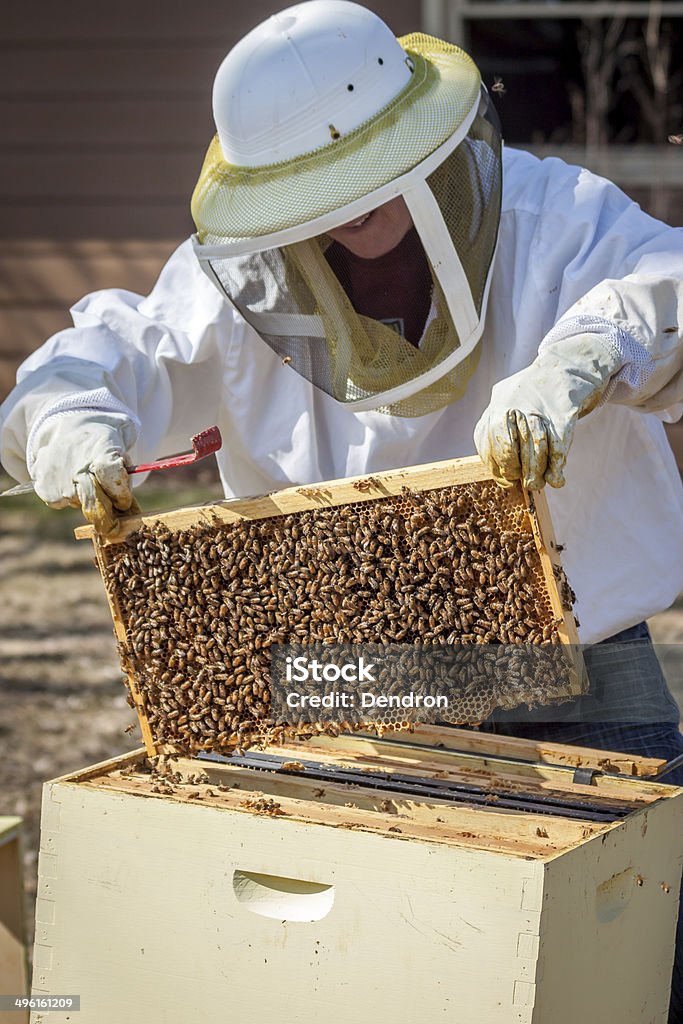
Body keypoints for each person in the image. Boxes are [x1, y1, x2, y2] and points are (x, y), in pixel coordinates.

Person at [1, 0, 683, 1014]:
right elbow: (115, 355)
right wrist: (65, 421)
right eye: (313, 200)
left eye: (368, 184)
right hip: (337, 669)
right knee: (367, 966)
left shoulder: (557, 217)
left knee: (630, 956)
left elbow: (661, 284)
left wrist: (587, 358)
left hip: (572, 661)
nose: (345, 220)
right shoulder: (230, 281)